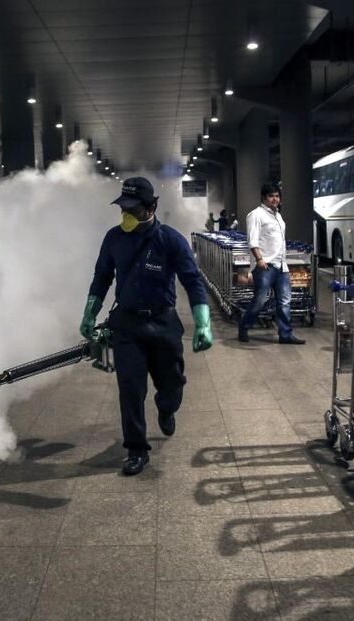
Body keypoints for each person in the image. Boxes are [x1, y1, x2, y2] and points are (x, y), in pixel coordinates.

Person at [80, 177, 213, 476]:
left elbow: (192, 281)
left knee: (172, 383)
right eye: (123, 208)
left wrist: (203, 321)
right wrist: (90, 313)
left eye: (133, 209)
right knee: (130, 388)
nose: (126, 214)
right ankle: (136, 449)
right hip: (127, 324)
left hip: (162, 322)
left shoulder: (170, 240)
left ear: (151, 206)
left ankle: (166, 407)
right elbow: (102, 277)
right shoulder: (114, 238)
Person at [237, 182, 305, 345]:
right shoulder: (256, 215)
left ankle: (285, 334)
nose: (275, 199)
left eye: (277, 196)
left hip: (282, 266)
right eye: (271, 196)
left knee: (284, 301)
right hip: (266, 265)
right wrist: (259, 259)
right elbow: (252, 240)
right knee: (259, 301)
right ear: (263, 197)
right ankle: (244, 327)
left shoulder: (278, 215)